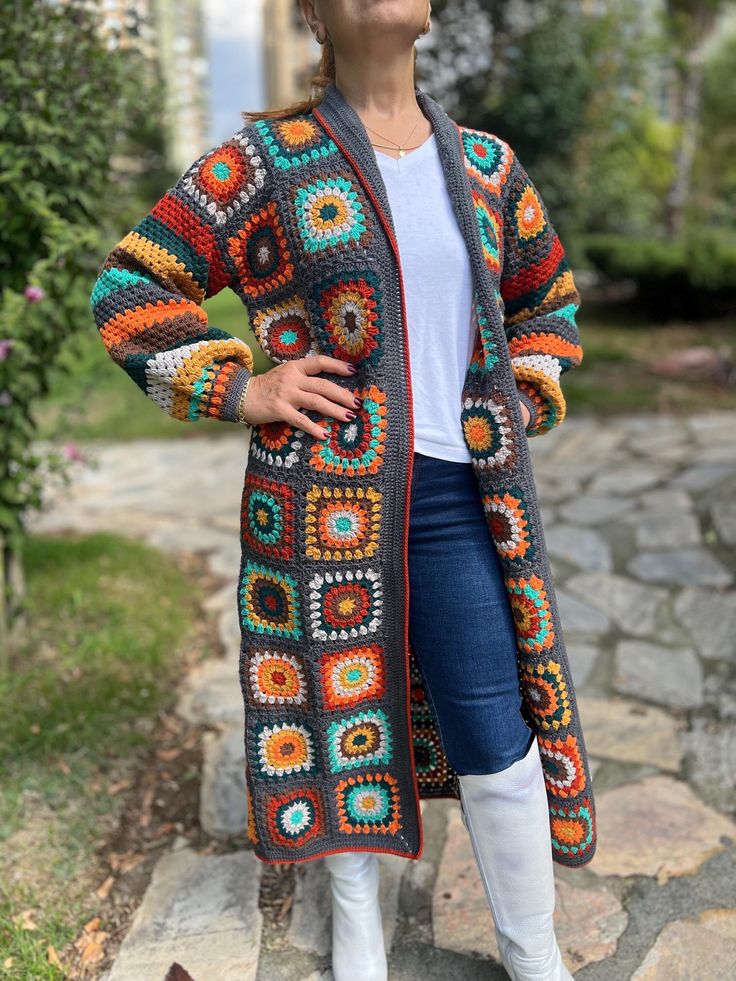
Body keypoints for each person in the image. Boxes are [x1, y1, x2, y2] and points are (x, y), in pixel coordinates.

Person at [90, 1, 593, 978]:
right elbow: (128, 291)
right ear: (312, 14)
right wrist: (239, 385)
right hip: (324, 498)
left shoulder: (487, 166)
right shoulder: (264, 163)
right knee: (338, 723)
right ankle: (356, 938)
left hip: (462, 500)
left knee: (495, 730)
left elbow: (547, 298)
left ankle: (536, 956)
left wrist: (529, 383)